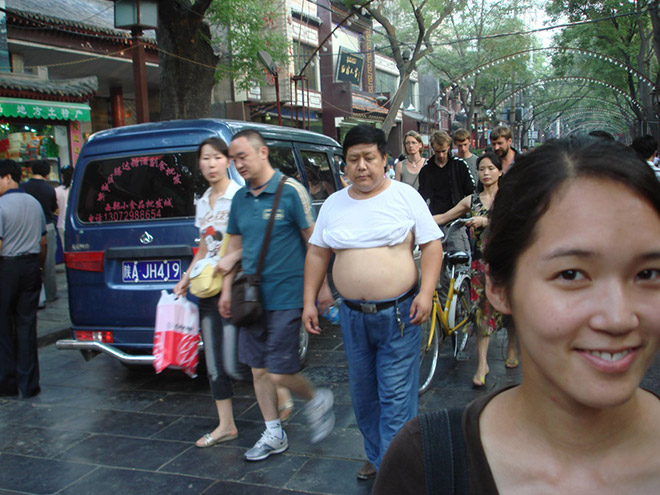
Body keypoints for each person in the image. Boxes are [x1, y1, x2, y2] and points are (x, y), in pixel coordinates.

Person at [373, 135, 660, 493]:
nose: (619, 318)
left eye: (648, 274)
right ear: (499, 287)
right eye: (571, 275)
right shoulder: (426, 463)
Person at [303, 124, 443, 480]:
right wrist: (308, 301)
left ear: (384, 160)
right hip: (352, 316)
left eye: (369, 158)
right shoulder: (334, 203)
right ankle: (378, 454)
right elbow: (317, 253)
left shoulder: (404, 196)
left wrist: (426, 292)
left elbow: (431, 246)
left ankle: (393, 470)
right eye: (353, 160)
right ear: (344, 165)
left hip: (399, 314)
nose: (361, 166)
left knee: (396, 395)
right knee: (364, 394)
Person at [219, 129, 335, 462]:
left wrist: (321, 287)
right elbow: (235, 247)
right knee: (258, 369)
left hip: (288, 295)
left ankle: (316, 397)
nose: (237, 164)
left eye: (242, 156)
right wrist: (227, 290)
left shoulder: (290, 191)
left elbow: (315, 243)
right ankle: (273, 433)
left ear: (263, 152)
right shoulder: (240, 199)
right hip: (252, 297)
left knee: (279, 370)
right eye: (234, 159)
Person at [173, 137, 243, 448]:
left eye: (217, 157)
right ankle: (226, 424)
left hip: (240, 287)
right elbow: (205, 245)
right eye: (205, 158)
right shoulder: (202, 202)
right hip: (208, 288)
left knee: (247, 356)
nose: (211, 164)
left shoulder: (238, 197)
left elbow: (245, 244)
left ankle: (280, 397)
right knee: (215, 359)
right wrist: (185, 277)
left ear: (228, 161)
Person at [432, 152, 518, 388]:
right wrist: (418, 220)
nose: (486, 173)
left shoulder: (509, 197)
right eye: (482, 169)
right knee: (482, 312)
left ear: (500, 171)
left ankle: (512, 347)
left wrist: (486, 222)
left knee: (512, 309)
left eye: (491, 168)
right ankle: (482, 364)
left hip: (509, 262)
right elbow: (444, 216)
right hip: (481, 264)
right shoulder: (472, 201)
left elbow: (517, 222)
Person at [0, 159, 46, 398]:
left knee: (4, 327)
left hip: (7, 268)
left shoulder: (0, 206)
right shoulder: (34, 203)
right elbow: (43, 241)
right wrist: (36, 267)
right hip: (31, 266)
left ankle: (7, 383)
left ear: (8, 177)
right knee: (27, 326)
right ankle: (29, 384)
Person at [418, 130, 474, 253]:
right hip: (434, 221)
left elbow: (472, 193)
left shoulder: (459, 165)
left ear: (448, 147)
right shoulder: (426, 170)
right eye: (438, 152)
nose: (441, 155)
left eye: (444, 151)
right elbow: (421, 197)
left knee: (460, 258)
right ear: (432, 149)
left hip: (456, 222)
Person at [22, 160, 57, 306]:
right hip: (47, 226)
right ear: (47, 173)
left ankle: (35, 295)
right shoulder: (49, 189)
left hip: (27, 227)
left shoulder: (23, 187)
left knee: (31, 262)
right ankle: (50, 294)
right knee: (48, 264)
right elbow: (54, 208)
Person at [55, 165, 73, 245]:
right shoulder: (77, 189)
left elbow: (55, 209)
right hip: (75, 223)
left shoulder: (56, 191)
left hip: (61, 223)